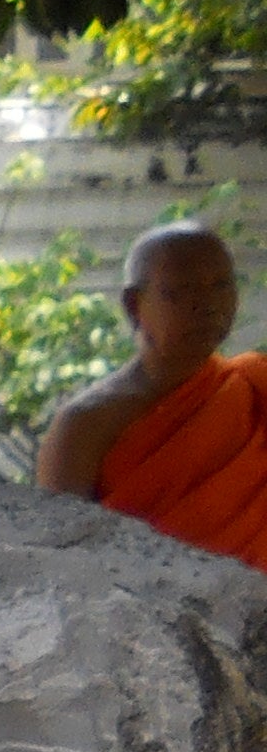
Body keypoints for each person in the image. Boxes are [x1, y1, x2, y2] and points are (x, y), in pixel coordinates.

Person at [38, 222, 267, 567]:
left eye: (221, 286)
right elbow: (63, 561)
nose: (208, 305)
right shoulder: (87, 425)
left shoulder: (252, 386)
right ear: (134, 304)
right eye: (182, 290)